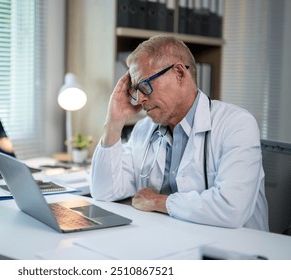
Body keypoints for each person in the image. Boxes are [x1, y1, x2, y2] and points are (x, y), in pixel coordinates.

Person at [90, 35, 269, 231]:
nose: (139, 99)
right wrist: (114, 122)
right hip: (171, 241)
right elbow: (104, 192)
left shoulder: (236, 124)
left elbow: (231, 208)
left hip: (235, 251)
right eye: (135, 90)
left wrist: (159, 202)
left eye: (145, 85)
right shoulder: (143, 130)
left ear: (179, 73)